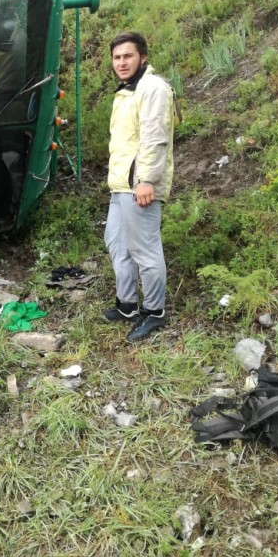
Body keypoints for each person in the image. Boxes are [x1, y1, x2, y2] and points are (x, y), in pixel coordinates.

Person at [103, 31, 175, 341]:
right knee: (117, 244)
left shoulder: (152, 88)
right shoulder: (126, 92)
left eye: (128, 56)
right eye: (117, 57)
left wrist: (146, 180)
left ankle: (155, 312)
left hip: (139, 186)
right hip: (121, 185)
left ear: (142, 58)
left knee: (145, 251)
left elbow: (155, 138)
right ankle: (128, 305)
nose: (121, 62)